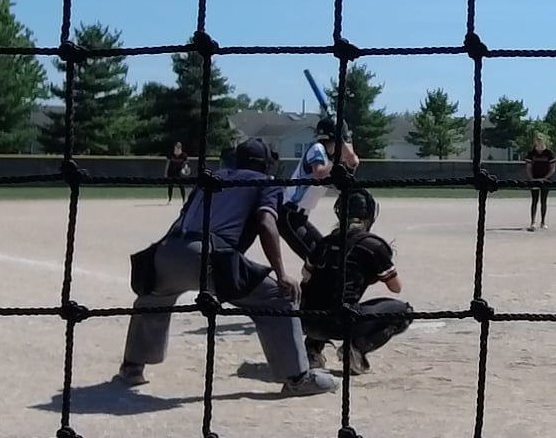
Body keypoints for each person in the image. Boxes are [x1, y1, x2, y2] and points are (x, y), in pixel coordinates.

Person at [118, 137, 337, 397]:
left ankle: (132, 366)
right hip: (208, 256)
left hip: (167, 251)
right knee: (278, 297)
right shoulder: (265, 182)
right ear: (264, 164)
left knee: (153, 299)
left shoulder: (211, 178)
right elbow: (266, 223)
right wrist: (281, 274)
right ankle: (297, 378)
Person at [299, 189, 410, 376]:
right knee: (404, 312)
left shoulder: (325, 242)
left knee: (322, 293)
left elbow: (306, 275)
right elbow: (396, 287)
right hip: (341, 321)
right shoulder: (373, 245)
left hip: (306, 321)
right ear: (370, 215)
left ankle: (312, 351)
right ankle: (355, 349)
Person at [523, 134, 556, 231]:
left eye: (540, 142)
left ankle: (543, 222)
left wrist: (545, 178)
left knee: (543, 201)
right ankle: (532, 222)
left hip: (545, 180)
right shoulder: (531, 153)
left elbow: (553, 168)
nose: (539, 144)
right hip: (535, 180)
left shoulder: (549, 153)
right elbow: (528, 168)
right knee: (534, 200)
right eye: (537, 142)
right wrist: (531, 178)